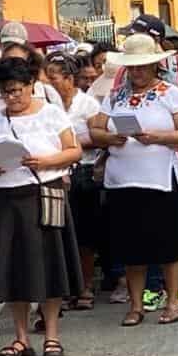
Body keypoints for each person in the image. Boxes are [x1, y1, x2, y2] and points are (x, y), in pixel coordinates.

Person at [0, 57, 83, 356]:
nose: (12, 97)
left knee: (49, 263)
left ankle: (51, 334)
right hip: (5, 197)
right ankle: (20, 336)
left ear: (31, 86)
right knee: (12, 267)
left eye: (17, 90)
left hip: (42, 191)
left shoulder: (50, 113)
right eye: (5, 92)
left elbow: (74, 150)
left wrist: (46, 161)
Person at [89, 35, 178, 326]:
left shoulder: (169, 93)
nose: (136, 73)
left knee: (169, 241)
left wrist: (158, 138)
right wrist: (112, 137)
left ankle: (173, 301)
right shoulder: (115, 97)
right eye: (132, 68)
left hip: (160, 179)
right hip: (123, 181)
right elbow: (95, 130)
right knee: (130, 245)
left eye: (142, 67)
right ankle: (136, 305)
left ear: (154, 66)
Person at [122, 15, 178, 314]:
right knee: (141, 237)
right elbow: (102, 121)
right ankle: (150, 291)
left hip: (170, 166)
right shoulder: (121, 83)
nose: (135, 70)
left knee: (176, 229)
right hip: (130, 174)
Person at [46, 53, 102, 309]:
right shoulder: (48, 106)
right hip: (57, 171)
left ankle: (86, 285)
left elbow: (99, 137)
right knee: (59, 231)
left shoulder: (88, 104)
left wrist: (70, 144)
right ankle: (66, 286)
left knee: (85, 232)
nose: (49, 82)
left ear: (68, 79)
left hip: (84, 170)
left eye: (53, 77)